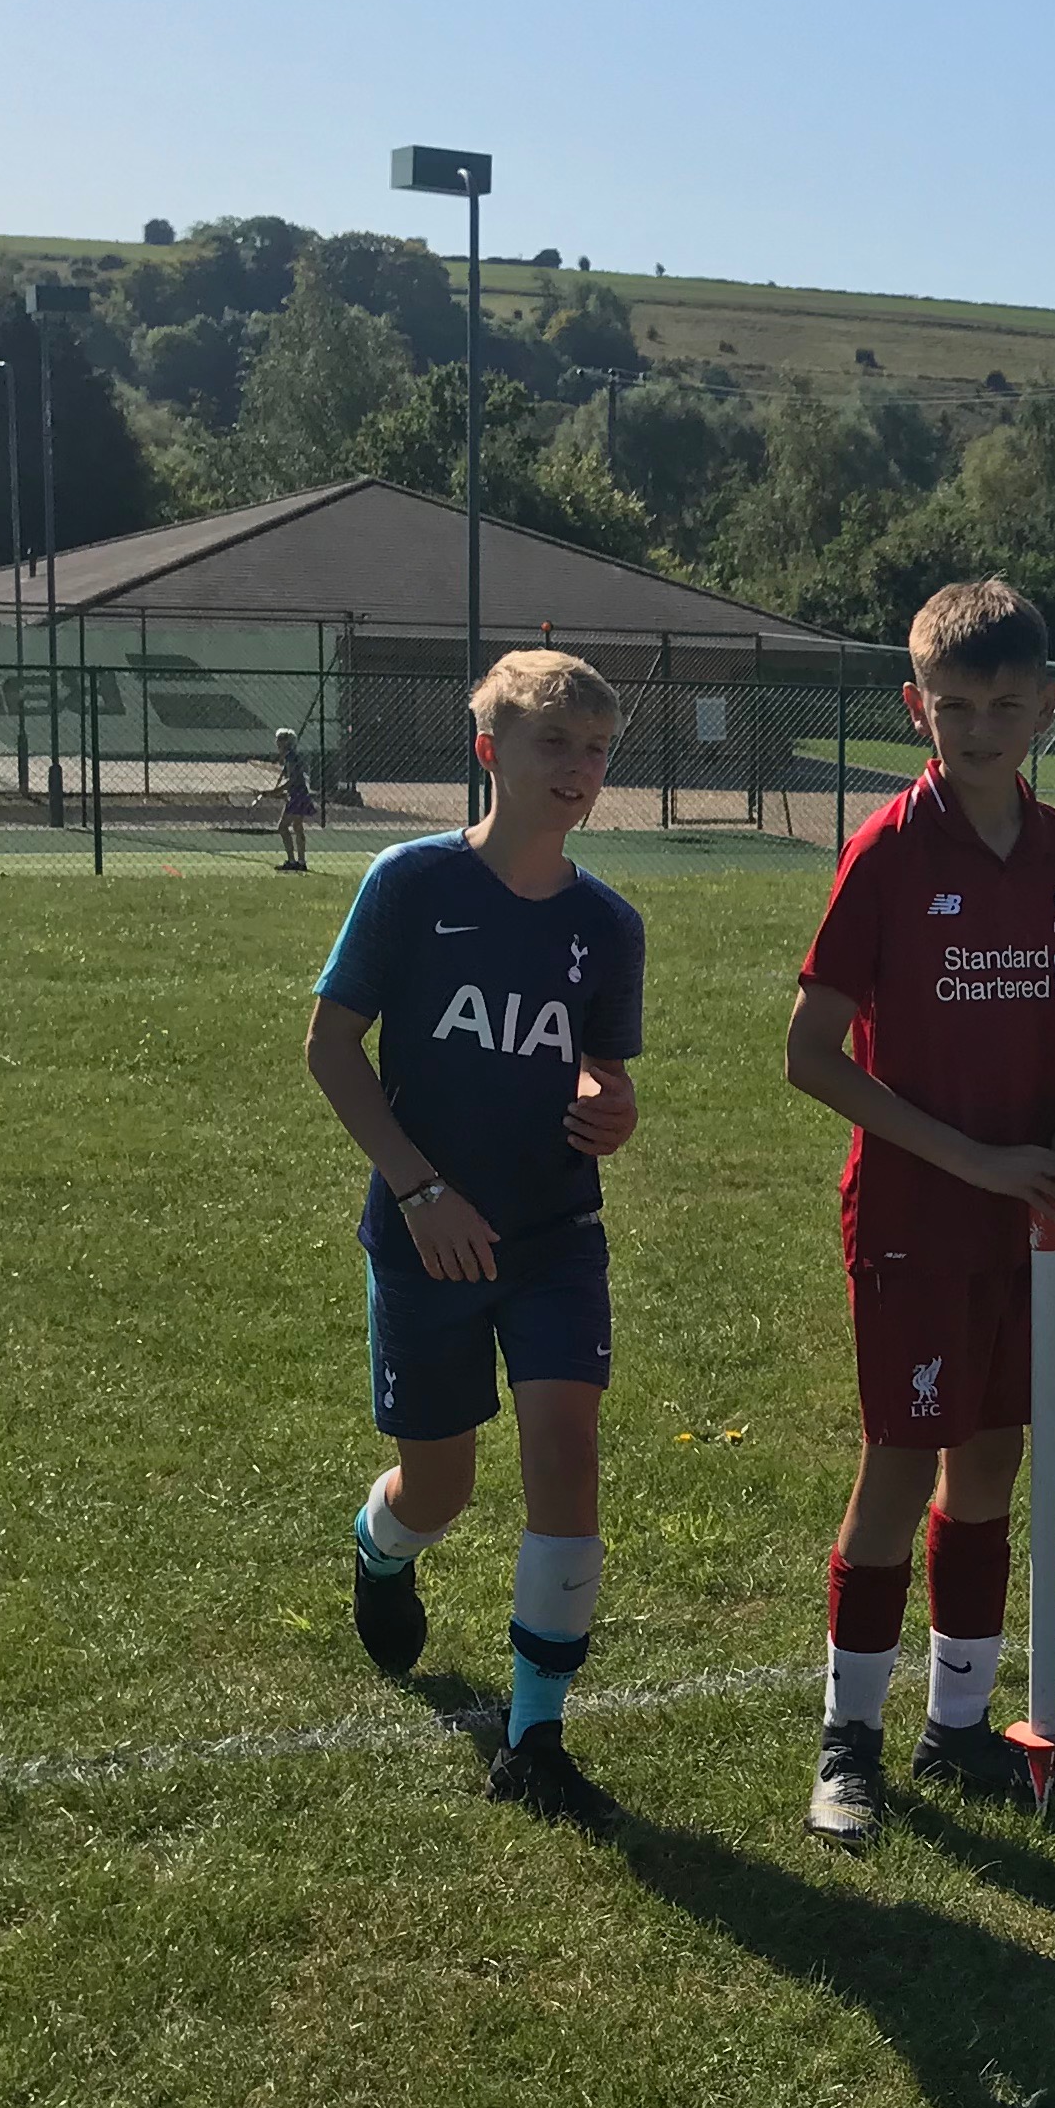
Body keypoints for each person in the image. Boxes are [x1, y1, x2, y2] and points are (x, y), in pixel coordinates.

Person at [787, 578, 1055, 1848]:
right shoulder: (885, 854)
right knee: (898, 1472)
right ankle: (849, 1744)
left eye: (1004, 705)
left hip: (1028, 1221)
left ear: (1047, 707)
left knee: (991, 1468)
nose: (979, 729)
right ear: (915, 707)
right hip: (920, 1219)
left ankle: (960, 1726)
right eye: (954, 705)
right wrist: (973, 1161)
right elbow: (811, 1054)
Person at [303, 649, 647, 1816]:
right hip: (427, 1239)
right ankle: (380, 1545)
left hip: (554, 1234)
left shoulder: (608, 924)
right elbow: (331, 1049)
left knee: (567, 1453)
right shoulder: (411, 884)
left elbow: (599, 1075)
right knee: (439, 1486)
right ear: (488, 747)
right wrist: (415, 1189)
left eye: (598, 749)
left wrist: (615, 1107)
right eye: (556, 744)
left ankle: (534, 1739)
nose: (581, 770)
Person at [272, 727, 318, 871]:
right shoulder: (291, 757)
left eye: (280, 739)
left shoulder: (291, 758)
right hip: (299, 794)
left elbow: (292, 780)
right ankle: (301, 862)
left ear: (286, 742)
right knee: (298, 827)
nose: (277, 742)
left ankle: (292, 861)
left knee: (283, 827)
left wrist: (275, 791)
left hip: (297, 795)